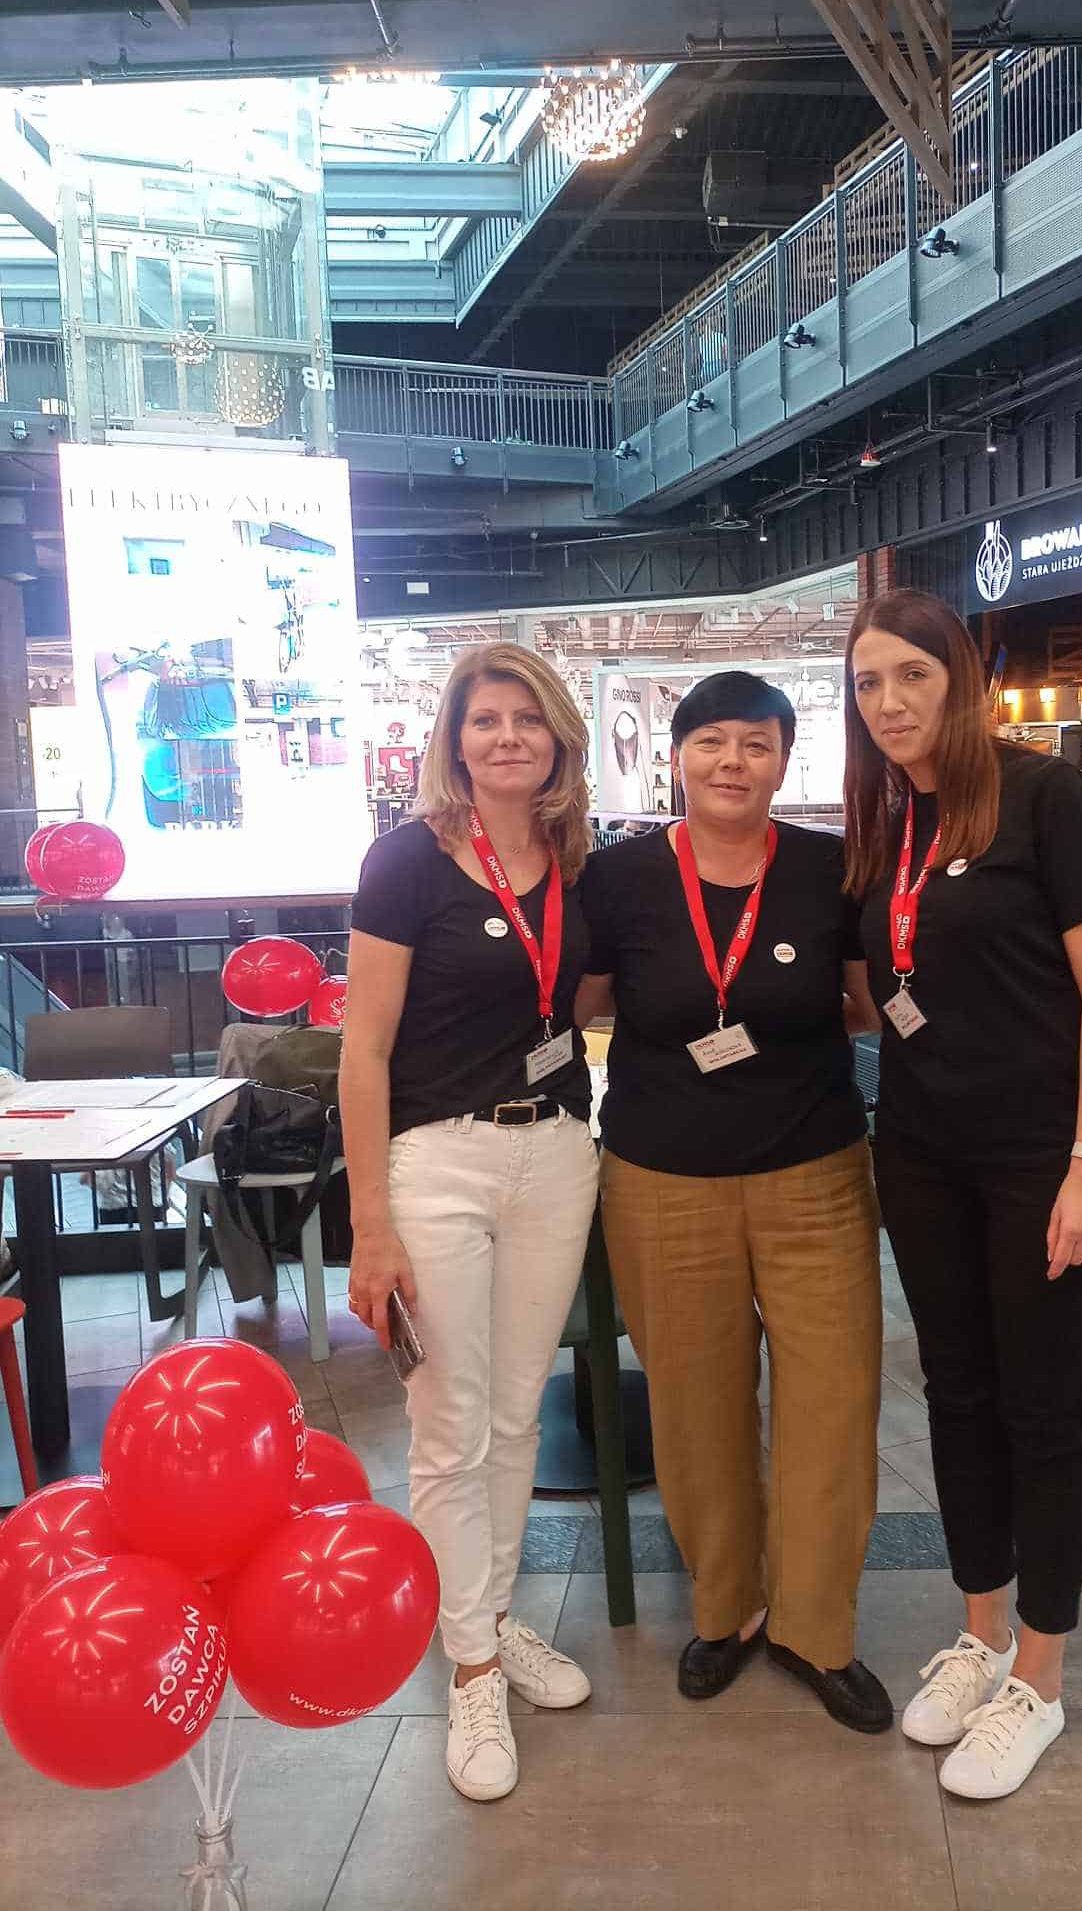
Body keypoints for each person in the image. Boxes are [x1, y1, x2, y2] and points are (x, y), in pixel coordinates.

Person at [843, 590, 1082, 1801]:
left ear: (959, 679)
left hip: (1041, 1160)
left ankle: (1040, 1680)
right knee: (958, 1395)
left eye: (912, 673)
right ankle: (980, 1631)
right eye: (869, 682)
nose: (890, 701)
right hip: (921, 1156)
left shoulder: (1043, 794)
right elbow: (881, 988)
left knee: (1045, 1410)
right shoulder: (888, 822)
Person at [577, 670, 891, 1732]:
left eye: (757, 744)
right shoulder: (618, 878)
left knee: (833, 1400)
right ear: (676, 757)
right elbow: (582, 1006)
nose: (732, 762)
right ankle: (729, 1607)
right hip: (661, 1179)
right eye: (711, 741)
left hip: (815, 1172)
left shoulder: (828, 868)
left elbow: (863, 1004)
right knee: (695, 1404)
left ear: (784, 761)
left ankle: (815, 1626)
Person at [342, 642, 600, 1805]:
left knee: (514, 1412)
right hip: (436, 1160)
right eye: (485, 719)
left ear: (557, 739)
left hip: (555, 1154)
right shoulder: (406, 861)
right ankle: (474, 1665)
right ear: (454, 738)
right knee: (447, 1422)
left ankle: (489, 1614)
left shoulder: (575, 859)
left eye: (526, 719)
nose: (507, 737)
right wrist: (371, 1223)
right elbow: (363, 1050)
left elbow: (577, 1005)